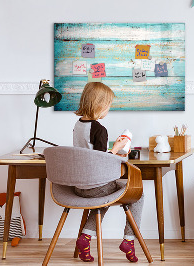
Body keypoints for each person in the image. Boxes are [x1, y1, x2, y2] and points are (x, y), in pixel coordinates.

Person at [73, 82, 143, 263]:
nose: (108, 110)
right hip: (96, 186)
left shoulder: (78, 125)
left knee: (103, 197)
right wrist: (117, 148)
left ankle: (85, 238)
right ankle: (129, 240)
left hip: (79, 186)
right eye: (108, 106)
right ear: (99, 105)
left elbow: (90, 155)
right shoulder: (99, 129)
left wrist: (112, 150)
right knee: (138, 194)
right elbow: (101, 161)